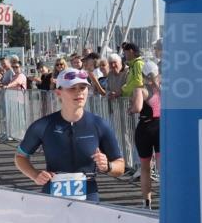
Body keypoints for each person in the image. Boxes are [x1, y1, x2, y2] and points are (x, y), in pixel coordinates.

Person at [14, 68, 125, 203]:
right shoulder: (43, 125)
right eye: (72, 88)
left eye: (83, 87)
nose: (79, 92)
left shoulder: (99, 125)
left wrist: (108, 166)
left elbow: (120, 166)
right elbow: (20, 157)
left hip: (88, 197)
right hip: (53, 196)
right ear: (58, 93)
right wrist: (35, 175)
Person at [130, 60, 161, 209]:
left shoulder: (140, 89)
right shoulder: (163, 88)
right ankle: (167, 200)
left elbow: (137, 108)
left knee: (145, 168)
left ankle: (147, 202)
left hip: (144, 129)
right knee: (162, 168)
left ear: (142, 75)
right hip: (161, 127)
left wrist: (130, 110)